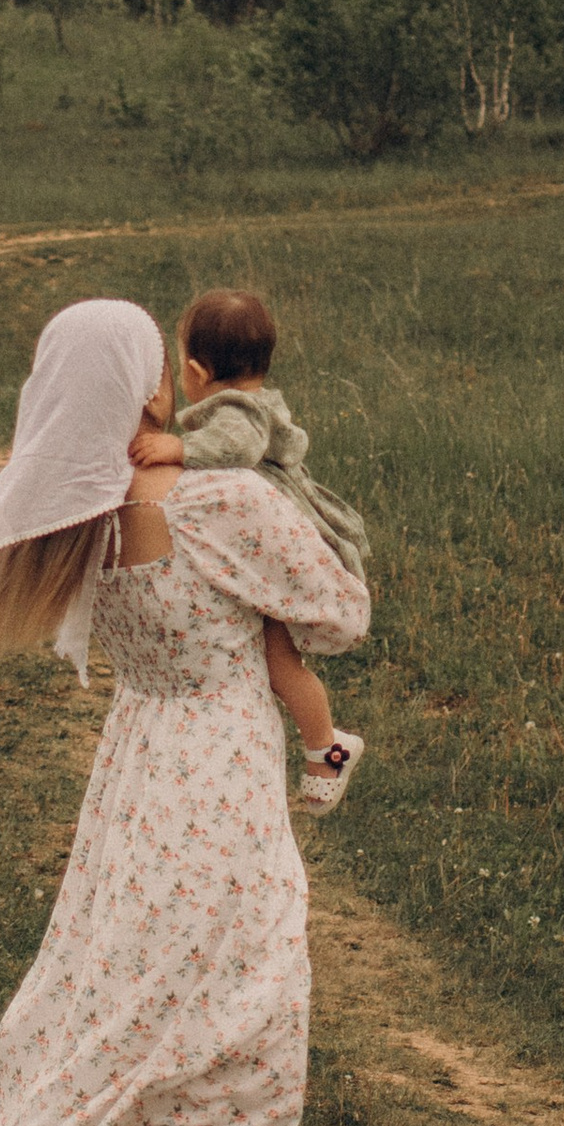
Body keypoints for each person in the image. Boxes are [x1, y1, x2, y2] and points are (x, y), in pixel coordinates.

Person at [0, 296, 371, 1126]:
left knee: (161, 1039)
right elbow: (340, 616)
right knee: (244, 1033)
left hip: (137, 792)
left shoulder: (75, 520)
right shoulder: (228, 501)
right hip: (216, 795)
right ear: (154, 388)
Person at [128, 284, 368, 814]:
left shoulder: (236, 414)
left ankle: (327, 747)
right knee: (275, 659)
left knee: (281, 665)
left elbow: (237, 447)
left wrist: (180, 446)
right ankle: (324, 744)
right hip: (257, 556)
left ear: (194, 373)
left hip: (273, 549)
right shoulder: (249, 403)